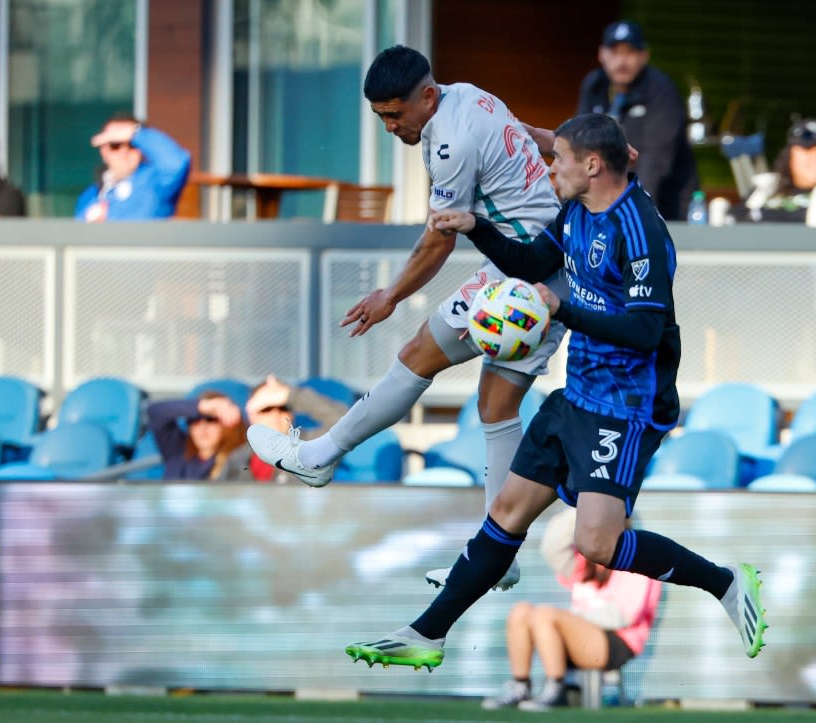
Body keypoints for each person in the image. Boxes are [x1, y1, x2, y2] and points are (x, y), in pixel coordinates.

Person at [344, 113, 766, 674]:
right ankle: (428, 633)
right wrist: (474, 225)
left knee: (597, 544)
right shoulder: (574, 210)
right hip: (577, 394)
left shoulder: (639, 230)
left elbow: (644, 330)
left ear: (592, 166)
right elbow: (527, 264)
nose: (550, 168)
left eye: (558, 158)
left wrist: (562, 308)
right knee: (507, 511)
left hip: (625, 406)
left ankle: (724, 583)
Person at [246, 45, 565, 591]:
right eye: (381, 118)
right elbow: (527, 132)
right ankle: (499, 557)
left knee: (419, 354)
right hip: (549, 269)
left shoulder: (449, 143)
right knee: (497, 405)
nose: (391, 127)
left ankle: (319, 455)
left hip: (524, 279)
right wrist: (575, 150)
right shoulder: (472, 95)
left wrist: (390, 294)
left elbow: (438, 239)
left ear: (427, 96)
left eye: (396, 114)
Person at [482, 507, 662, 712]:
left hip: (616, 642)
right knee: (520, 611)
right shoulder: (584, 561)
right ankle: (520, 686)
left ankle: (556, 690)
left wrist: (573, 619)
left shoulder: (637, 560)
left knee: (545, 615)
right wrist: (585, 505)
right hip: (580, 635)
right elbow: (551, 547)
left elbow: (623, 615)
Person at [576, 20, 698, 220]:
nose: (621, 61)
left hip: (664, 208)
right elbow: (579, 146)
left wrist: (629, 213)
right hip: (607, 206)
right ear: (601, 54)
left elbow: (654, 160)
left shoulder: (661, 90)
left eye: (629, 52)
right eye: (614, 52)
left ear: (644, 56)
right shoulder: (594, 86)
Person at [218, 375, 349, 483]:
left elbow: (347, 426)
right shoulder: (238, 459)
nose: (275, 415)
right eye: (266, 409)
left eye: (283, 408)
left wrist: (292, 396)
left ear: (291, 414)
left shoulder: (309, 449)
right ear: (252, 416)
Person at [75, 115, 191, 222]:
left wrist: (136, 133)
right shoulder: (90, 195)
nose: (124, 151)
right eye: (115, 145)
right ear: (104, 152)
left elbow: (175, 164)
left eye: (132, 144)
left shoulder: (154, 183)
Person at [147, 391, 246, 480]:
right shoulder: (177, 449)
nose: (202, 428)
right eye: (194, 420)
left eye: (210, 419)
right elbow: (155, 411)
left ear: (228, 423)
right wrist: (202, 406)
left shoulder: (239, 459)